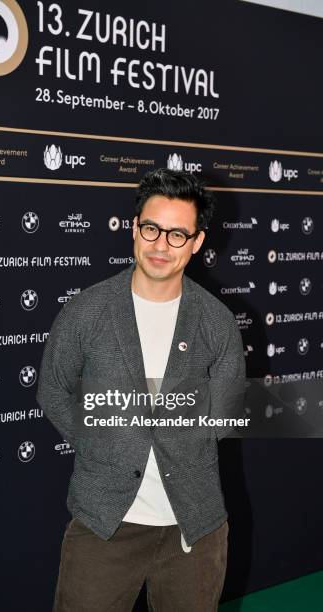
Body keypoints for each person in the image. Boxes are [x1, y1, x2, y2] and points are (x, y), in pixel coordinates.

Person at [36, 168, 246, 611]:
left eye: (177, 234)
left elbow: (226, 409)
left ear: (197, 242)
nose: (160, 245)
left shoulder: (217, 321)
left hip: (194, 528)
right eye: (151, 228)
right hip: (104, 524)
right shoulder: (87, 311)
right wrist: (98, 440)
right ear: (134, 229)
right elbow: (53, 388)